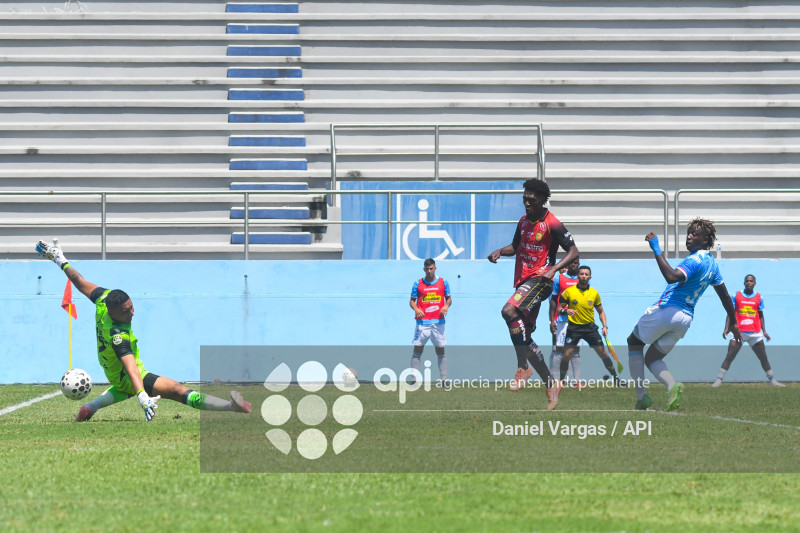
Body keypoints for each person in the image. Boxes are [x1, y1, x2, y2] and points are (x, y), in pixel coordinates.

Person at [36, 239, 252, 422]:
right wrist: (142, 395)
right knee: (176, 390)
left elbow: (79, 281)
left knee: (123, 389)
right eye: (126, 311)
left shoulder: (104, 298)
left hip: (112, 369)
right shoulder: (118, 335)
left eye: (131, 306)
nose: (132, 313)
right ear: (113, 313)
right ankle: (230, 406)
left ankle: (90, 408)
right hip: (123, 374)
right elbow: (131, 368)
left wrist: (60, 260)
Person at [626, 219, 742, 412]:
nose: (689, 236)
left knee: (633, 342)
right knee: (652, 358)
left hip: (669, 310)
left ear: (706, 240)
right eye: (688, 233)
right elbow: (724, 295)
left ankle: (641, 397)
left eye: (695, 234)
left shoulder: (694, 260)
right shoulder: (712, 264)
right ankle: (672, 386)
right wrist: (734, 322)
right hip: (685, 319)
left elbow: (671, 276)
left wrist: (656, 248)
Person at [488, 179, 579, 410]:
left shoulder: (552, 223)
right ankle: (551, 384)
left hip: (541, 280)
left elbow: (573, 251)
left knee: (508, 311)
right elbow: (516, 247)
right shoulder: (523, 222)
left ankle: (523, 367)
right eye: (524, 199)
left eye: (531, 199)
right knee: (524, 336)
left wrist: (554, 269)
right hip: (524, 282)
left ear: (541, 199)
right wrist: (500, 251)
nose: (527, 202)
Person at [712, 274, 784, 387]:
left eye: (751, 281)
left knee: (763, 357)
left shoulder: (759, 297)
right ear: (744, 283)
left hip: (755, 332)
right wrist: (726, 328)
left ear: (755, 283)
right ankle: (718, 380)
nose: (749, 282)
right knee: (730, 356)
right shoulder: (737, 295)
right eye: (747, 281)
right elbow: (730, 313)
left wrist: (764, 331)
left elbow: (760, 315)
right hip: (739, 332)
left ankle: (773, 380)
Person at [557, 265, 622, 387]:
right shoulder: (569, 292)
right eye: (581, 274)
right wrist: (566, 311)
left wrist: (605, 326)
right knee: (566, 355)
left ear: (590, 277)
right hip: (574, 328)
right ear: (578, 276)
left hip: (590, 328)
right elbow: (559, 308)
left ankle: (616, 379)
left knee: (603, 353)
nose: (584, 276)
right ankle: (561, 381)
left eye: (586, 274)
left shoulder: (594, 293)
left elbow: (601, 312)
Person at [409, 258, 452, 383]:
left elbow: (449, 299)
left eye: (431, 269)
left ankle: (444, 379)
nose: (429, 271)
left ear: (435, 268)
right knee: (418, 349)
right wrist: (416, 309)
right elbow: (412, 301)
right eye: (427, 269)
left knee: (440, 349)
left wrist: (446, 306)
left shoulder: (443, 282)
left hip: (438, 322)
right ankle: (414, 379)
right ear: (424, 269)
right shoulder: (418, 283)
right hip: (422, 323)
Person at [549, 258, 581, 386]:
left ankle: (575, 381)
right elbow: (553, 300)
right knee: (558, 350)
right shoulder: (559, 278)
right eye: (571, 262)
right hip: (561, 319)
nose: (573, 264)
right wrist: (552, 320)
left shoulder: (581, 279)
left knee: (575, 351)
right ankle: (554, 380)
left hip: (579, 321)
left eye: (576, 262)